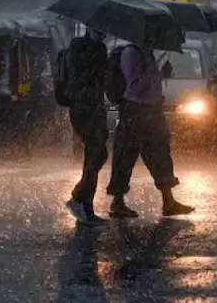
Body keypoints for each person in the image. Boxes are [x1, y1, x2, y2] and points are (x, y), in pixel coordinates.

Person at [106, 43, 194, 218]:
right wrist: (157, 74)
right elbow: (135, 84)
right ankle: (117, 202)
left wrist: (162, 75)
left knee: (160, 153)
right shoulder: (131, 53)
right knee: (125, 155)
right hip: (135, 110)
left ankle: (168, 201)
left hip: (152, 110)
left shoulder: (147, 52)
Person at [64, 28, 109, 225]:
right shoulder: (78, 45)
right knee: (96, 153)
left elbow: (102, 80)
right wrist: (99, 65)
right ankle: (78, 198)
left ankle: (86, 206)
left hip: (96, 105)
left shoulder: (101, 48)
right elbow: (79, 74)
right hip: (82, 106)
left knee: (96, 155)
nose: (103, 32)